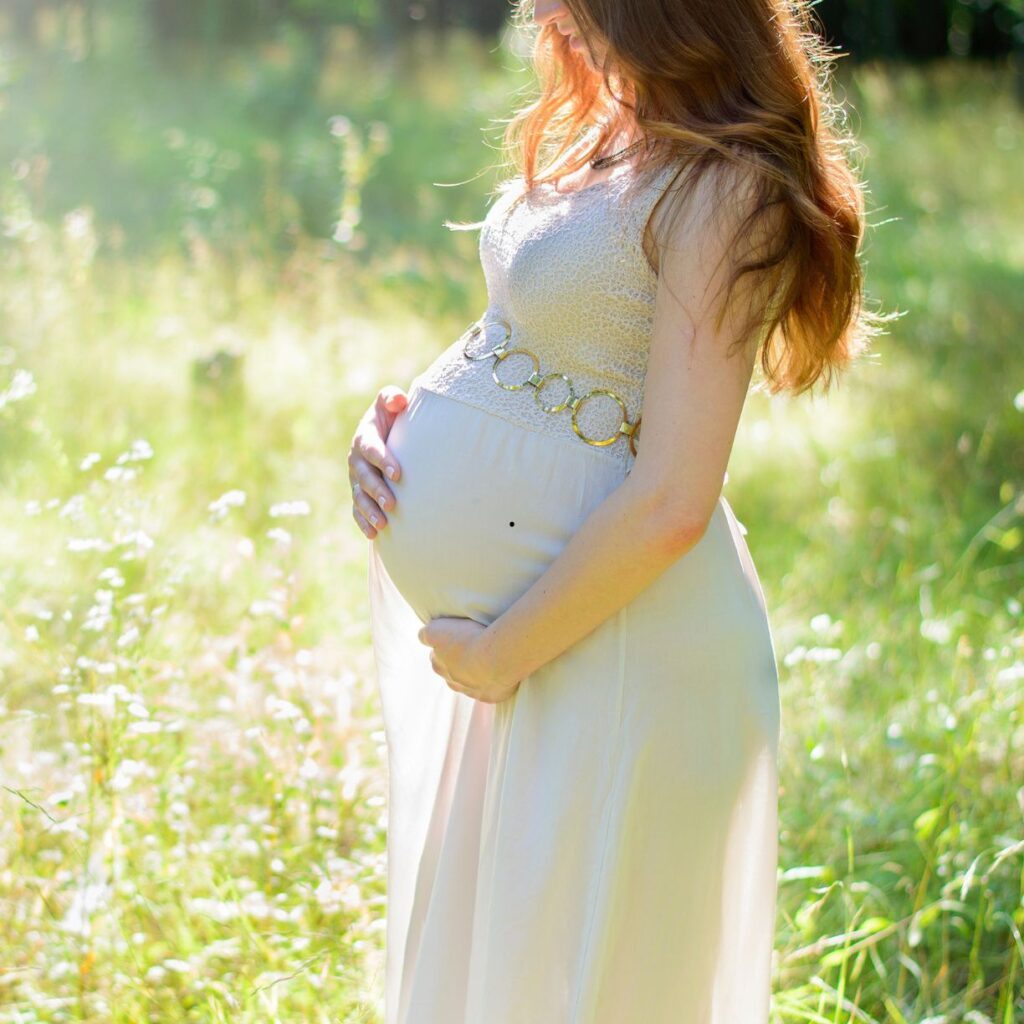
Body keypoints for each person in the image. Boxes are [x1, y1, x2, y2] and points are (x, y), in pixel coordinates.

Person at [347, 0, 879, 1020]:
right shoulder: (616, 129)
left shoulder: (730, 191)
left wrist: (502, 653)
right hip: (528, 648)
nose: (546, 15)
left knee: (587, 988)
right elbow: (538, 321)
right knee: (491, 974)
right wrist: (394, 426)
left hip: (615, 651)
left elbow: (676, 497)